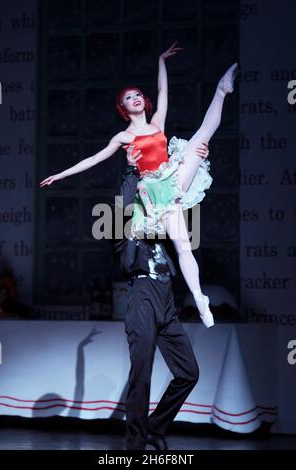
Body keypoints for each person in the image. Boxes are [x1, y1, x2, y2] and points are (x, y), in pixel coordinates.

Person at [39, 41, 239, 328]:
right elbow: (94, 159)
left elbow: (163, 92)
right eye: (128, 97)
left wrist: (161, 60)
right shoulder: (124, 137)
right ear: (122, 107)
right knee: (183, 245)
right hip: (155, 190)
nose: (134, 98)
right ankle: (199, 297)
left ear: (143, 101)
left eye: (137, 94)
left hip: (173, 174)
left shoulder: (157, 123)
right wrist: (60, 175)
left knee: (201, 139)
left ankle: (222, 89)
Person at [110, 141, 208, 450]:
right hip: (142, 299)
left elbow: (172, 195)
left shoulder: (158, 232)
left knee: (189, 372)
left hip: (167, 303)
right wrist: (129, 169)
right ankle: (135, 443)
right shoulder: (125, 237)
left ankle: (156, 427)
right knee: (143, 372)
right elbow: (124, 206)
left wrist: (192, 158)